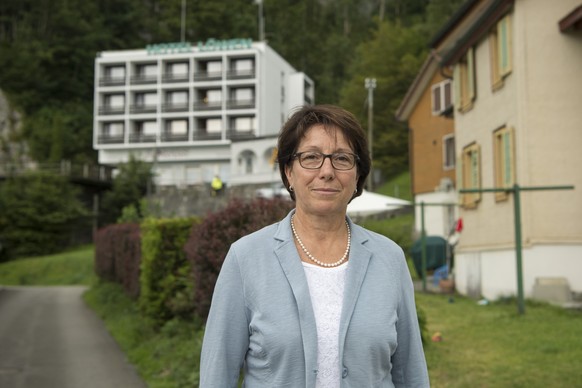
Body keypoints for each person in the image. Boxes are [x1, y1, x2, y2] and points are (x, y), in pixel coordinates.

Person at [200, 104, 429, 387]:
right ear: (288, 172)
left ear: (357, 175)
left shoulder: (389, 258)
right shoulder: (246, 258)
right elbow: (217, 374)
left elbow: (410, 373)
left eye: (342, 159)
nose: (327, 171)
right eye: (311, 157)